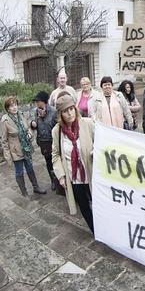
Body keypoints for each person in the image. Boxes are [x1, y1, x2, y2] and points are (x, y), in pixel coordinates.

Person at [52, 92, 96, 233]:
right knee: (84, 206)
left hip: (91, 173)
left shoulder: (87, 123)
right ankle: (95, 230)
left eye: (71, 109)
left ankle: (105, 227)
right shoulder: (57, 131)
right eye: (65, 111)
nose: (70, 113)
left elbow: (100, 142)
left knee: (97, 202)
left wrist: (96, 151)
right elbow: (56, 154)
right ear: (60, 114)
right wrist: (61, 175)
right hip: (74, 177)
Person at [0, 96, 47, 197]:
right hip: (16, 151)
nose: (14, 107)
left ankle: (36, 187)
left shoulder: (22, 115)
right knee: (19, 171)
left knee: (30, 167)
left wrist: (30, 133)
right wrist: (8, 156)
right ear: (7, 108)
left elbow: (28, 128)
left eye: (15, 105)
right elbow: (4, 140)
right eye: (11, 106)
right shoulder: (5, 121)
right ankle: (24, 192)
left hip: (26, 148)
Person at [30, 91, 60, 193]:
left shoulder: (53, 111)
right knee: (48, 162)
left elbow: (58, 126)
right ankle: (53, 180)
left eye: (38, 101)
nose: (36, 103)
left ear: (43, 101)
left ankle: (60, 179)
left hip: (53, 141)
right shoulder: (35, 111)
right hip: (43, 142)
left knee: (56, 160)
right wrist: (32, 124)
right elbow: (33, 124)